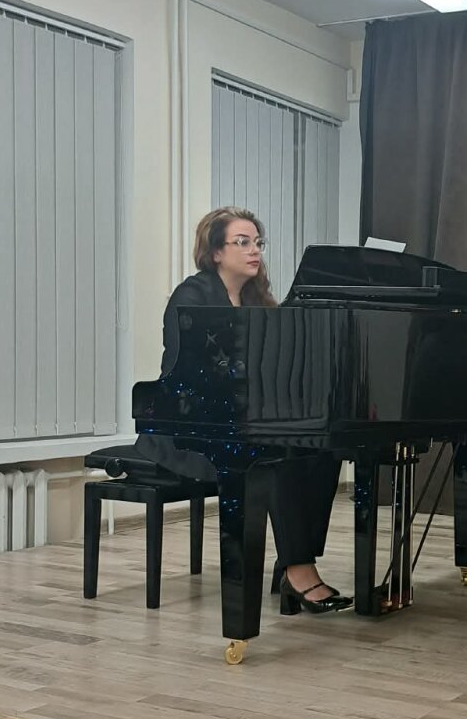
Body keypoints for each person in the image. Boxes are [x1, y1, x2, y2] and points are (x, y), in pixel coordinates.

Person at [141, 207, 351, 616]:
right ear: (215, 252)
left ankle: (295, 559)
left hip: (243, 418)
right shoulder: (193, 296)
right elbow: (193, 374)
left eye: (257, 242)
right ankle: (299, 572)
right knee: (274, 459)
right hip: (188, 427)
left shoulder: (259, 299)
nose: (254, 250)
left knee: (323, 450)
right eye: (242, 242)